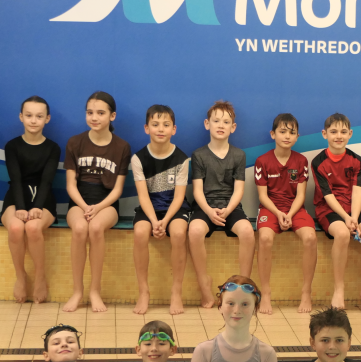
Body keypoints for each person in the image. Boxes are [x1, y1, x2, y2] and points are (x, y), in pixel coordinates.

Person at [63, 91, 131, 312]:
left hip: (107, 203)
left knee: (96, 227)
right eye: (90, 112)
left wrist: (98, 208)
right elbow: (70, 185)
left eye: (101, 113)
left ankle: (95, 291)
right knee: (81, 228)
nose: (94, 117)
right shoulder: (75, 142)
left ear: (112, 116)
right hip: (79, 201)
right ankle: (77, 291)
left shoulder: (122, 147)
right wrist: (84, 207)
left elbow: (118, 189)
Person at [188, 102, 255, 310]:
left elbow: (239, 190)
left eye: (226, 122)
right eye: (216, 121)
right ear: (207, 124)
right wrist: (209, 211)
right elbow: (197, 191)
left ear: (233, 127)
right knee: (195, 230)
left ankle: (244, 285)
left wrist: (227, 209)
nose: (221, 125)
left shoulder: (239, 155)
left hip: (231, 206)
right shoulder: (199, 155)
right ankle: (204, 286)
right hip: (205, 207)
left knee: (247, 232)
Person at [312, 113, 361, 311]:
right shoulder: (318, 162)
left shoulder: (357, 161)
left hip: (354, 209)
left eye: (343, 132)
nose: (338, 136)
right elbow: (328, 196)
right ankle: (338, 289)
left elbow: (358, 192)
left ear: (350, 134)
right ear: (325, 134)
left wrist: (355, 218)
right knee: (342, 234)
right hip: (329, 208)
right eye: (333, 132)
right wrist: (346, 218)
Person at [131, 105, 191, 315]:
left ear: (173, 129)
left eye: (166, 125)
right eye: (155, 124)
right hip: (149, 207)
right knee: (139, 233)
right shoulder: (138, 158)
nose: (160, 129)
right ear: (146, 128)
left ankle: (176, 291)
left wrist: (164, 222)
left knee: (177, 233)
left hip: (173, 208)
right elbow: (143, 196)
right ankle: (144, 291)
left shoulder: (182, 159)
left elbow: (179, 197)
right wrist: (154, 221)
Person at [255, 113, 317, 314]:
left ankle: (306, 292)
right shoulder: (262, 161)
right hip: (270, 208)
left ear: (297, 136)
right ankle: (265, 294)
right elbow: (263, 197)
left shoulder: (301, 161)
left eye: (292, 133)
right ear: (273, 134)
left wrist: (289, 214)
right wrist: (278, 213)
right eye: (282, 131)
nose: (287, 136)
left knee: (310, 237)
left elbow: (301, 194)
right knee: (264, 238)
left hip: (295, 208)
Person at [1, 96, 60, 304]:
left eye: (39, 116)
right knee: (16, 228)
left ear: (47, 119)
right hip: (17, 195)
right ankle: (20, 277)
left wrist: (37, 207)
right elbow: (15, 179)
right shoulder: (12, 146)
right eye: (29, 116)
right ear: (21, 117)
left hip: (43, 198)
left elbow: (46, 181)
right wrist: (20, 207)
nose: (33, 120)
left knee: (33, 228)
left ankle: (40, 277)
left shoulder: (53, 148)